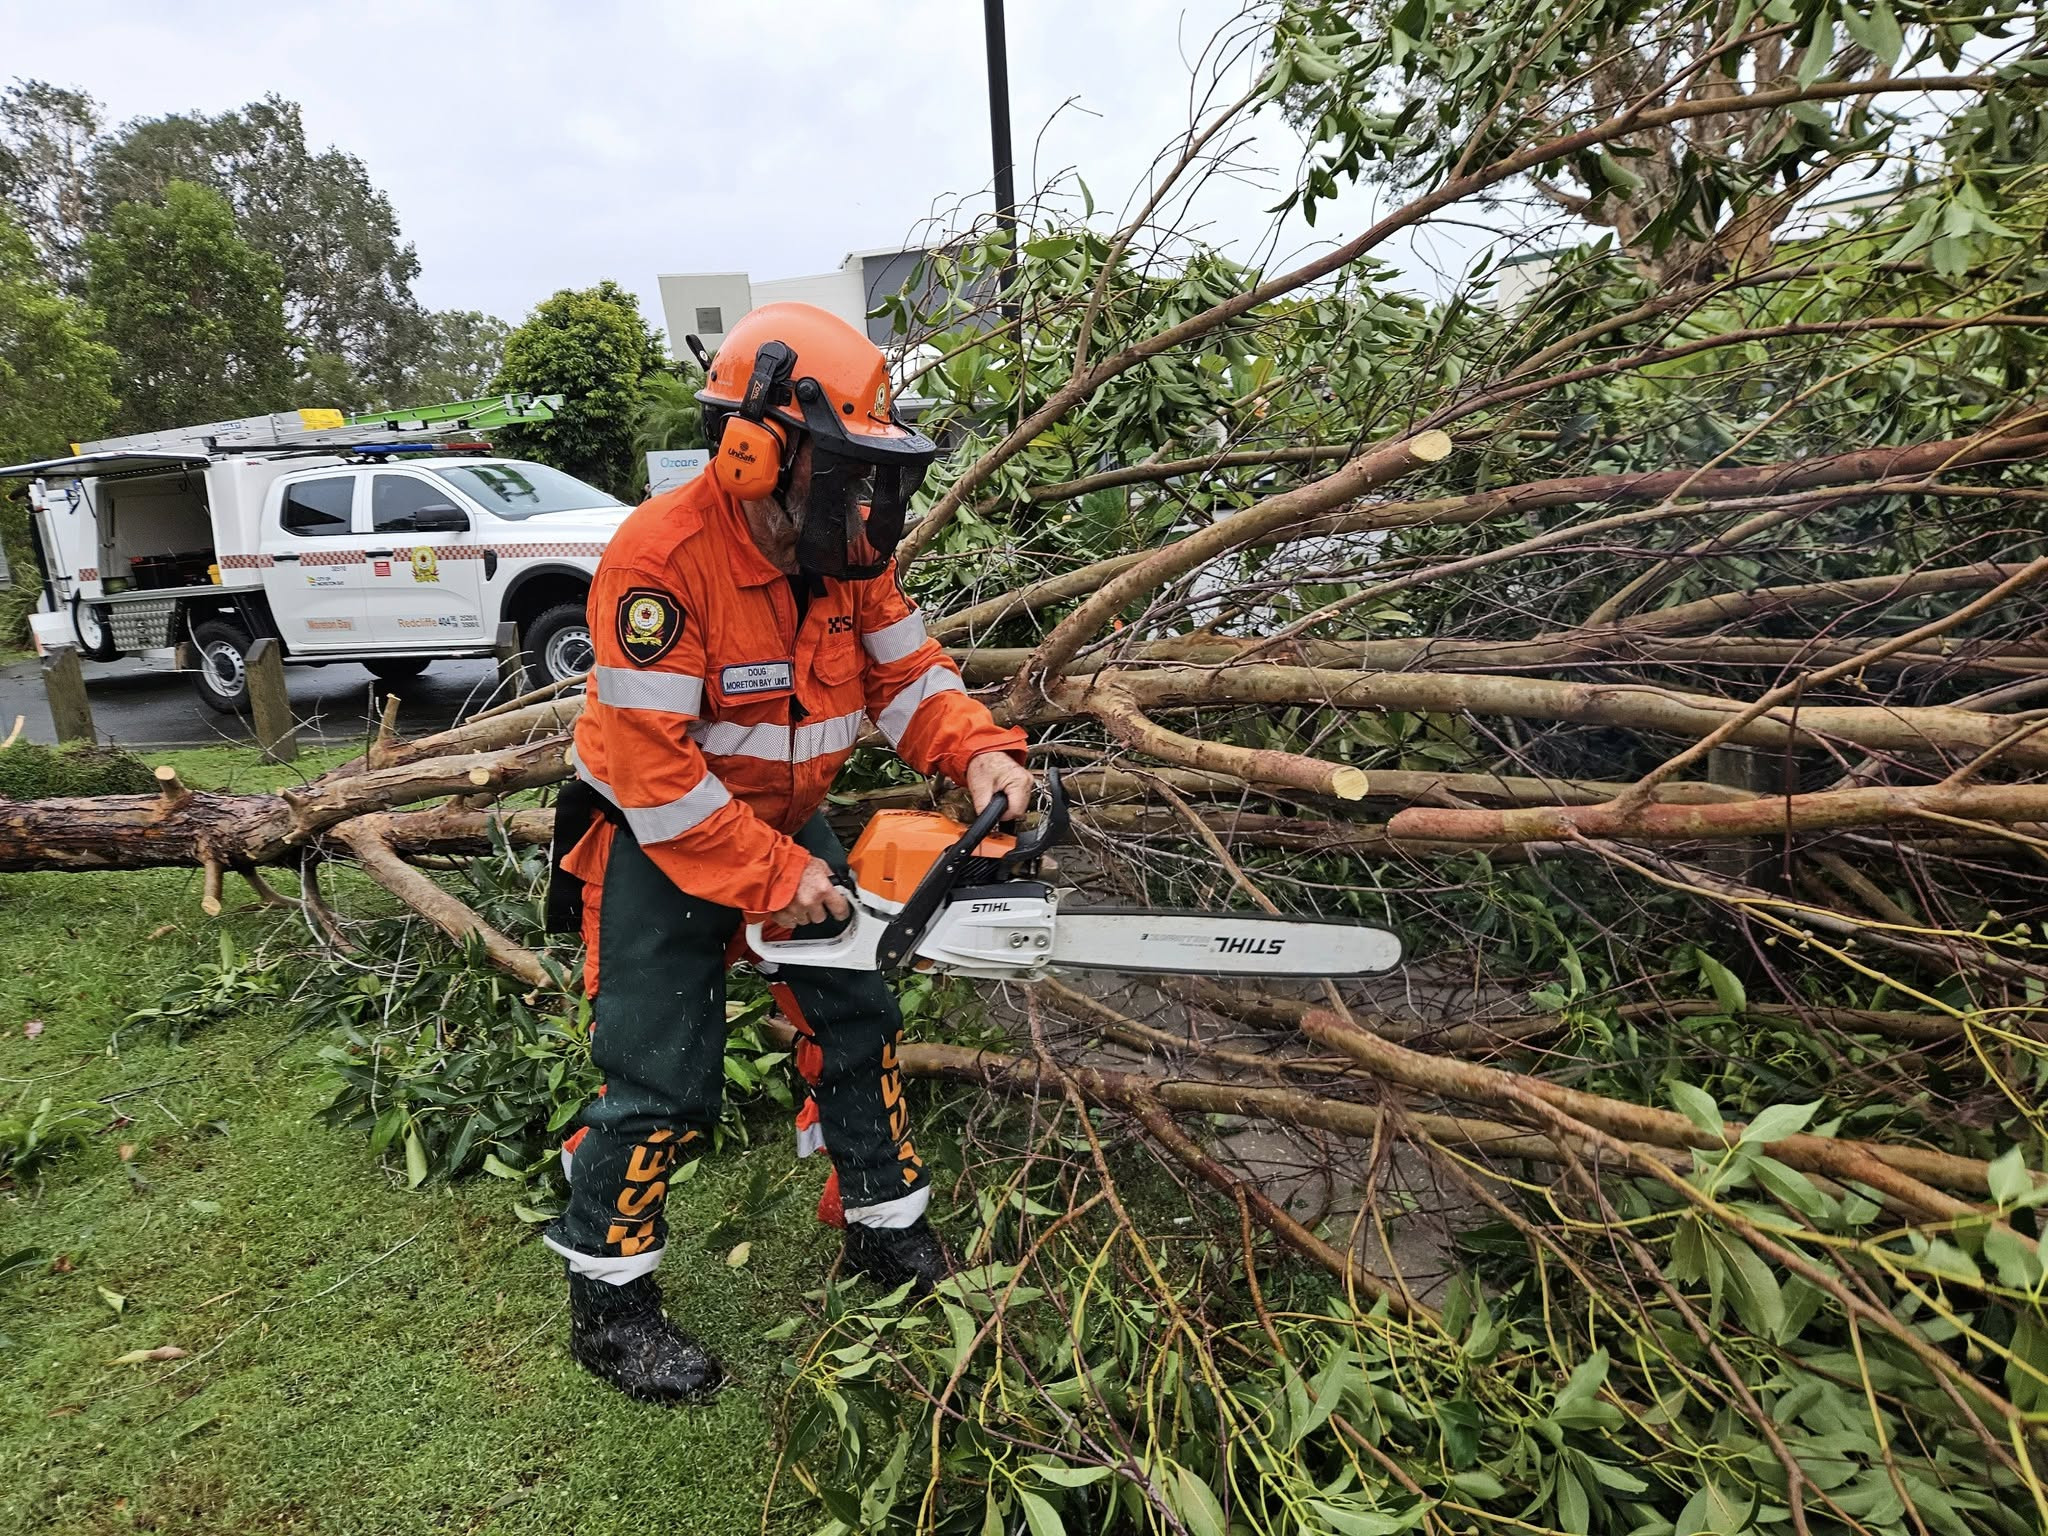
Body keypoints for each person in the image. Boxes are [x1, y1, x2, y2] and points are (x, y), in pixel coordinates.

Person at [542, 302, 1033, 1403]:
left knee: (857, 1017)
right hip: (658, 839)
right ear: (757, 448)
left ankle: (884, 1235)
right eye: (844, 465)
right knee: (660, 1074)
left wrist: (979, 758)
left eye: (872, 469)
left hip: (779, 820)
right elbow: (656, 773)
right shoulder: (660, 562)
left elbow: (911, 678)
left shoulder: (846, 554)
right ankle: (610, 1307)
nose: (864, 493)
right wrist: (775, 878)